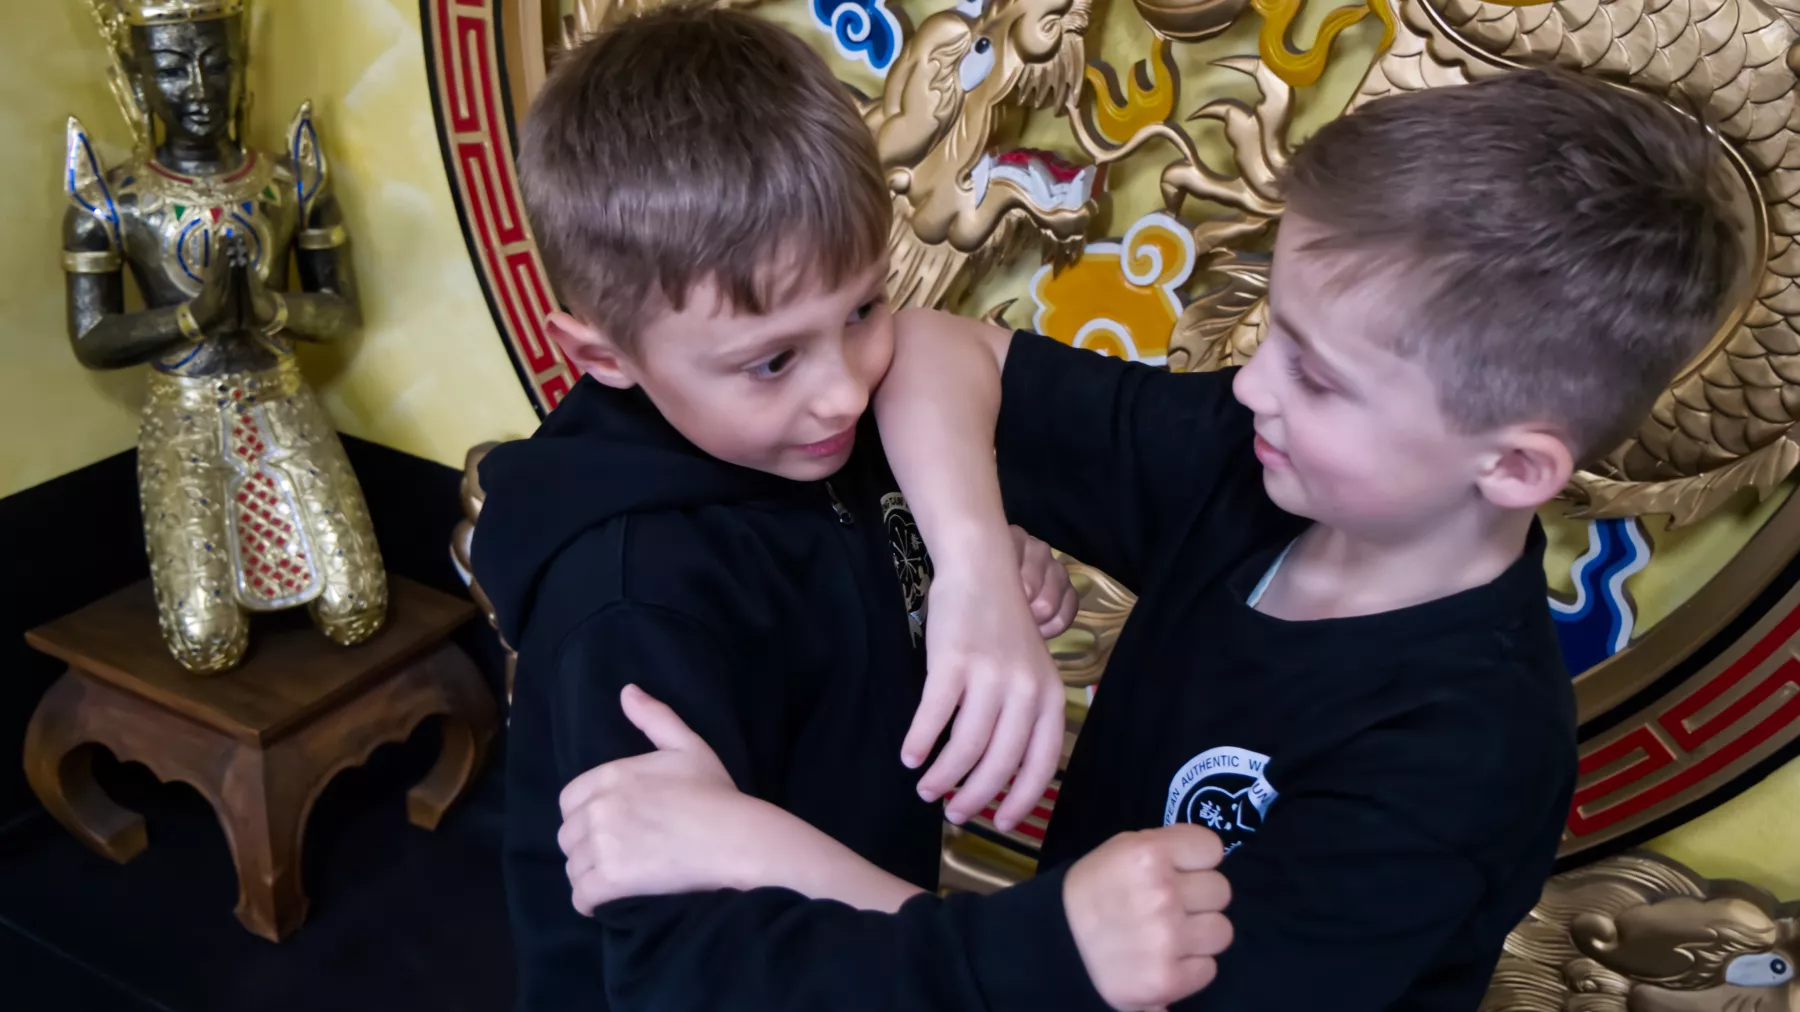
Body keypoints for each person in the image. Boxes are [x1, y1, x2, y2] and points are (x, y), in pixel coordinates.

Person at [556, 66, 1742, 1010]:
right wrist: (972, 569)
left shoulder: (1458, 756)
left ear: (1516, 465)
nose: (1252, 384)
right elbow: (935, 348)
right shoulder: (1256, 467)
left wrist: (764, 853)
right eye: (1274, 334)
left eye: (1318, 376)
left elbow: (1091, 975)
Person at [470, 8, 1232, 1011]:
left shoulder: (807, 438)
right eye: (773, 360)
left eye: (864, 309)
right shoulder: (633, 605)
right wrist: (1013, 953)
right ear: (602, 356)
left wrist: (960, 567)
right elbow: (687, 974)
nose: (844, 390)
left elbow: (841, 555)